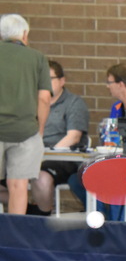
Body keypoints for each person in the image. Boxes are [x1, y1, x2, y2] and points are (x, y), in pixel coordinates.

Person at [68, 63, 126, 220]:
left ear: (120, 84)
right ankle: (102, 218)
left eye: (109, 82)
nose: (107, 86)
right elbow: (110, 139)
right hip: (115, 162)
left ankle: (115, 225)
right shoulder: (116, 107)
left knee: (116, 182)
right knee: (77, 180)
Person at [18, 60, 89, 216]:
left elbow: (73, 137)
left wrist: (45, 153)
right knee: (9, 178)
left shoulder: (74, 103)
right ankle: (31, 211)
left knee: (40, 177)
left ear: (62, 81)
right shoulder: (31, 103)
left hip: (62, 159)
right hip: (29, 156)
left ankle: (42, 218)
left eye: (48, 78)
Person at [0, 14, 51, 214]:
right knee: (18, 185)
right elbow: (44, 99)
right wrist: (39, 130)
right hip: (25, 131)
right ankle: (14, 231)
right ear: (24, 34)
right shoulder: (37, 58)